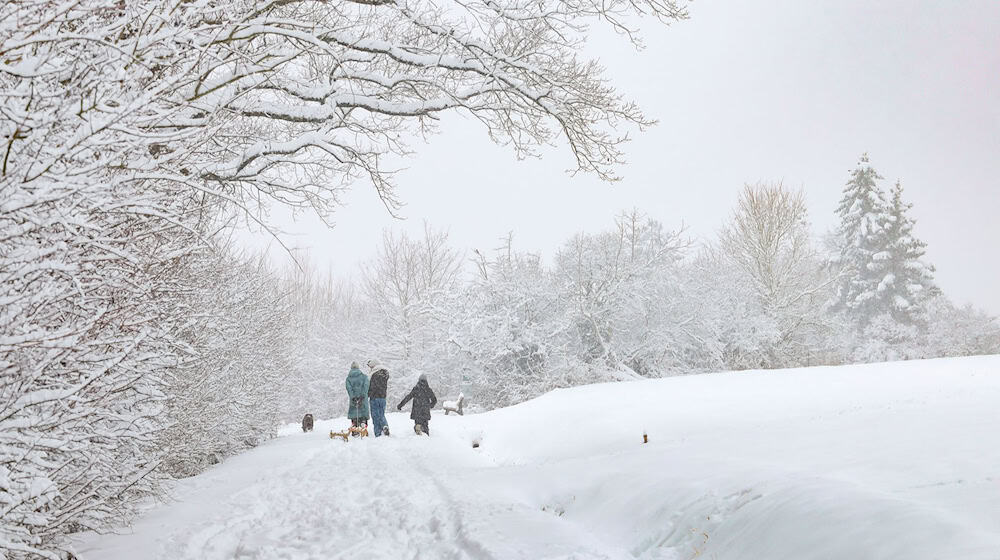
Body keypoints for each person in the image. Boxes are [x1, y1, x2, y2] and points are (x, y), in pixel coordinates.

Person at [367, 359, 390, 437]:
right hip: (383, 397)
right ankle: (385, 425)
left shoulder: (374, 374)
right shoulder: (385, 373)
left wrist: (367, 395)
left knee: (375, 416)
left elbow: (372, 387)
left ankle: (378, 434)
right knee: (381, 414)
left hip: (374, 397)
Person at [345, 361, 369, 433]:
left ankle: (354, 427)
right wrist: (362, 396)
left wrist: (353, 397)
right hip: (363, 399)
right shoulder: (364, 377)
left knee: (354, 414)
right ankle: (363, 425)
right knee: (363, 414)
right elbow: (366, 387)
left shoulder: (348, 379)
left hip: (353, 400)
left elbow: (349, 389)